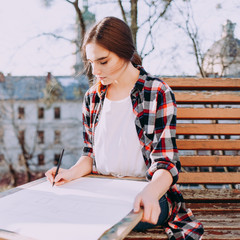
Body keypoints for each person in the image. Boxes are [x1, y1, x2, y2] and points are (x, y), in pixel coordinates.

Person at [45, 16, 204, 240]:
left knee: (101, 216)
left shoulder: (156, 92)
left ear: (125, 52)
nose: (96, 71)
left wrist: (150, 192)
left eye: (103, 61)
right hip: (101, 190)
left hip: (148, 191)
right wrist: (69, 174)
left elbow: (165, 163)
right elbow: (88, 156)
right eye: (91, 63)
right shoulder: (93, 97)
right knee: (61, 207)